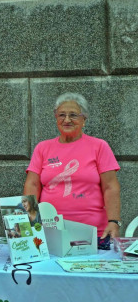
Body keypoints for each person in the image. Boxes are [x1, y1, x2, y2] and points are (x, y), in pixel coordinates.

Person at [24, 92, 121, 239]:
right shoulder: (43, 148)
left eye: (73, 115)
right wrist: (31, 220)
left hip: (93, 233)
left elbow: (110, 187)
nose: (67, 120)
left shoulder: (99, 146)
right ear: (56, 118)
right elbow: (32, 185)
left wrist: (114, 221)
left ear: (84, 119)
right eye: (62, 115)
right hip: (50, 232)